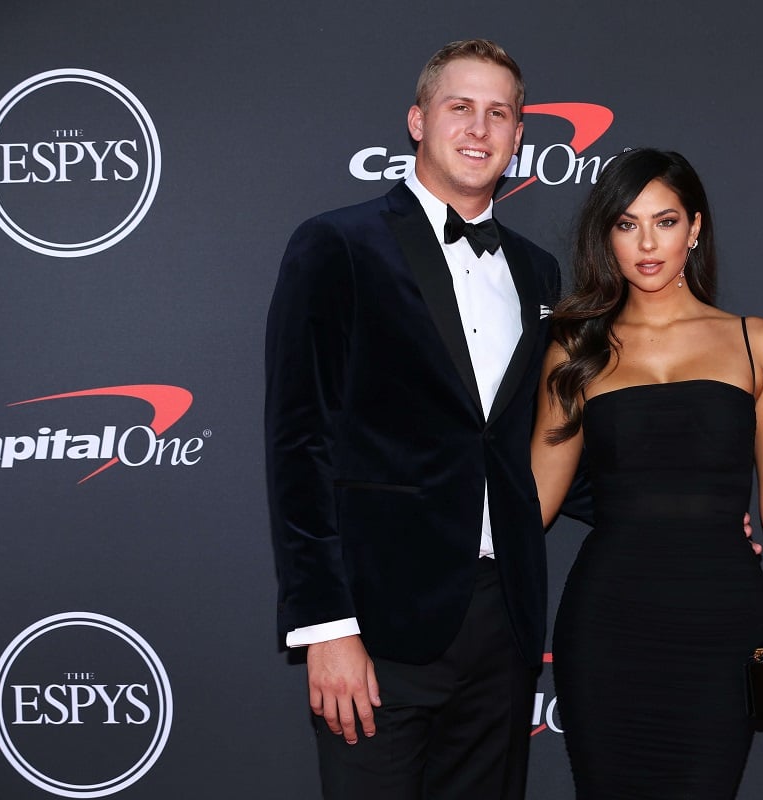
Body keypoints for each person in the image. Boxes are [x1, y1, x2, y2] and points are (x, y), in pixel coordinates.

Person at [265, 39, 560, 799]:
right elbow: (301, 443)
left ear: (519, 133)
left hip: (504, 624)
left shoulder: (537, 271)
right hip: (380, 623)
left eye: (499, 113)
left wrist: (683, 503)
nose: (479, 128)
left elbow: (525, 437)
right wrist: (327, 626)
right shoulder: (337, 244)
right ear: (417, 121)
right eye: (459, 107)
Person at [531, 148, 763, 798]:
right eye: (626, 223)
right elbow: (536, 497)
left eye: (664, 221)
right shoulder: (576, 345)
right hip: (608, 623)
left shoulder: (758, 342)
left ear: (694, 228)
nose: (647, 243)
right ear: (605, 234)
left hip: (718, 623)